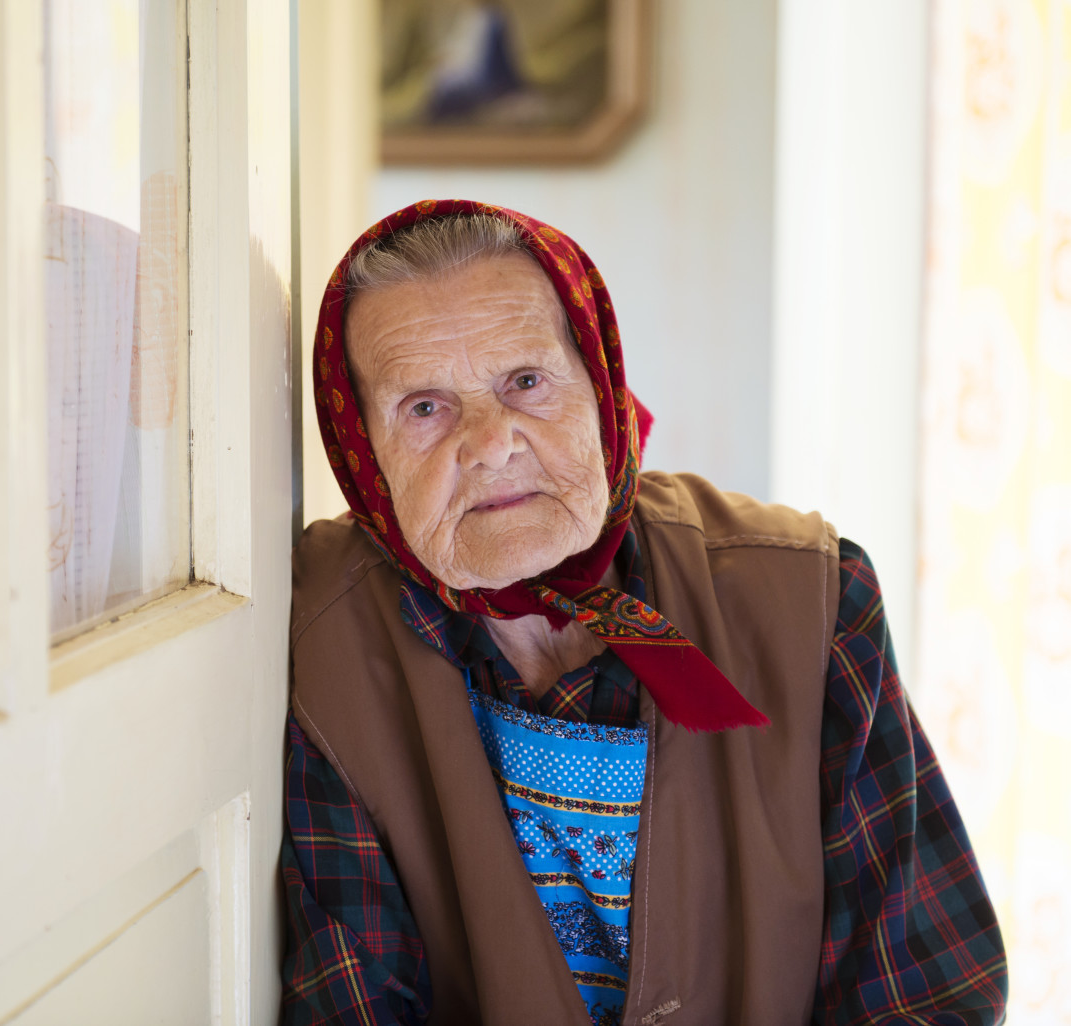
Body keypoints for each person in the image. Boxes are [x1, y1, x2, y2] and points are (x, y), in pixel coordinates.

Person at [281, 200, 1008, 1026]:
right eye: (424, 407)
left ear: (599, 385)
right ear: (362, 454)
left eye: (525, 381)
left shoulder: (810, 599)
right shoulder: (322, 648)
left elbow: (924, 989)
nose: (491, 442)